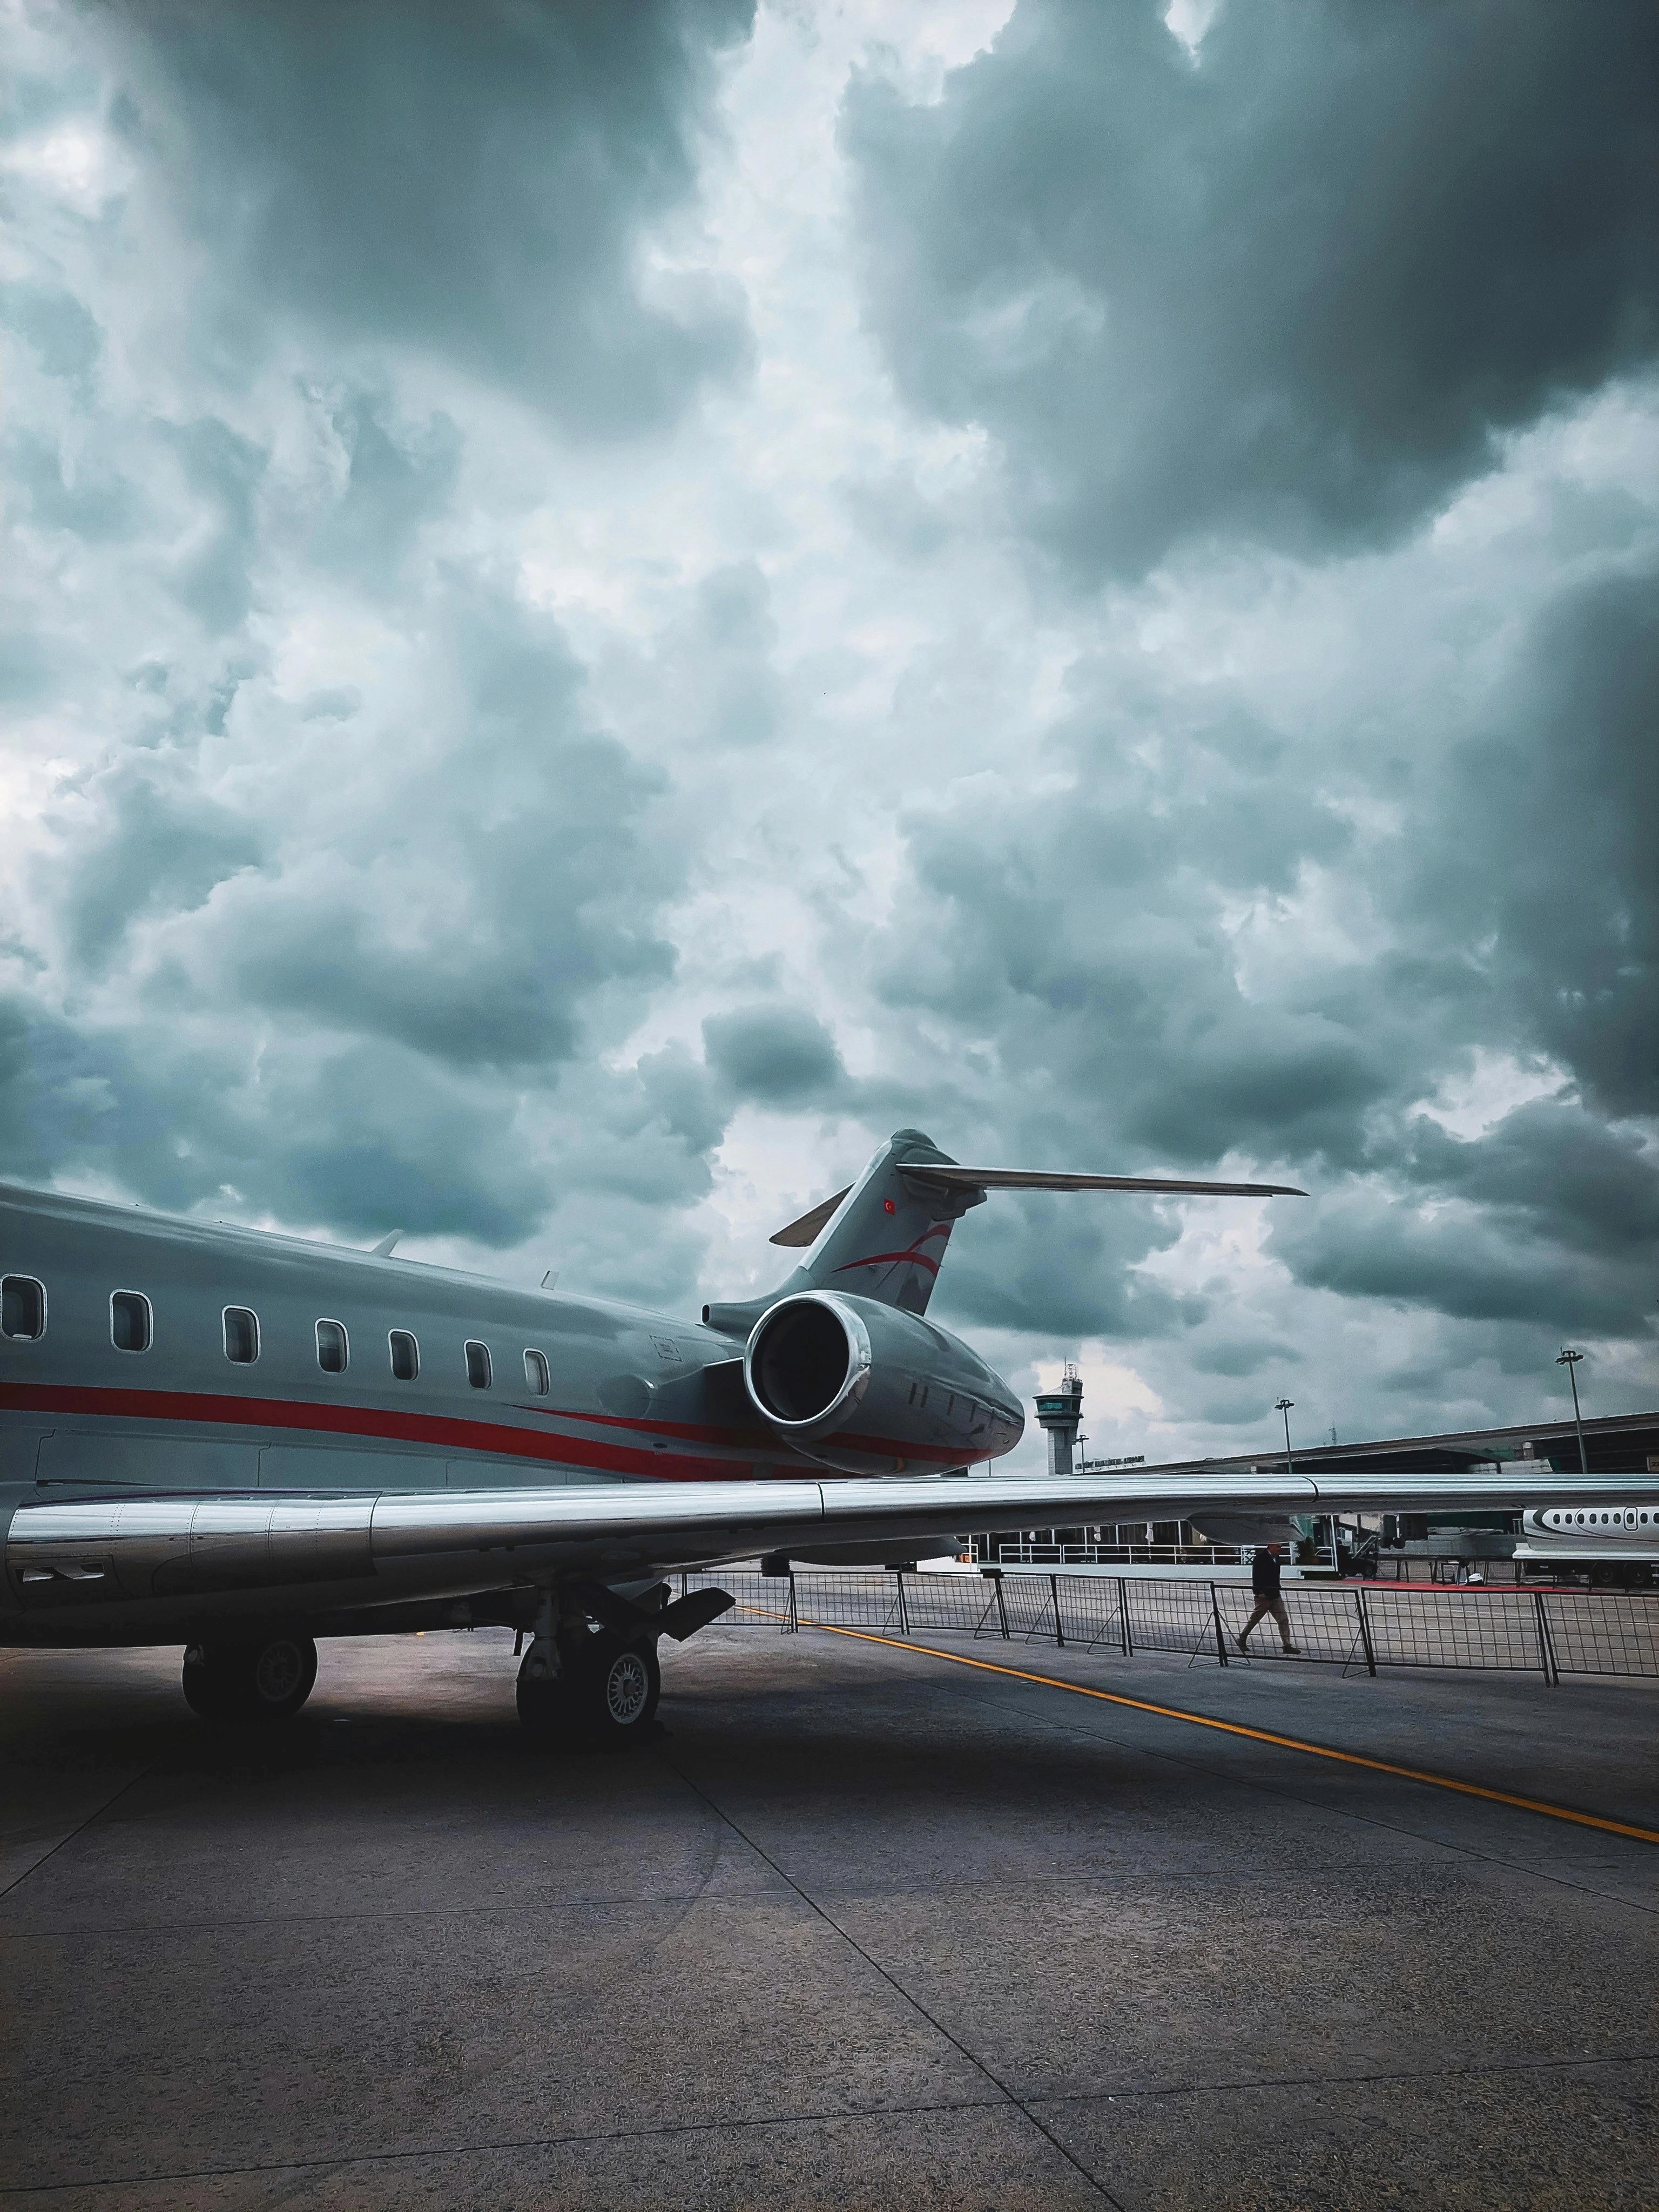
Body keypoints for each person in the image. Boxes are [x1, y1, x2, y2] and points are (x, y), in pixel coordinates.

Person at [1238, 1542, 1299, 1654]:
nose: (1279, 1549)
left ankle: (1287, 1645)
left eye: (1280, 1547)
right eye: (1277, 1546)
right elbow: (1256, 1576)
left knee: (1283, 1619)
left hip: (1275, 1594)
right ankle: (1242, 1638)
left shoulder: (1277, 1559)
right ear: (1270, 1546)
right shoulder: (1261, 1559)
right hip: (1264, 1596)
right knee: (1255, 1619)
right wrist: (1259, 1592)